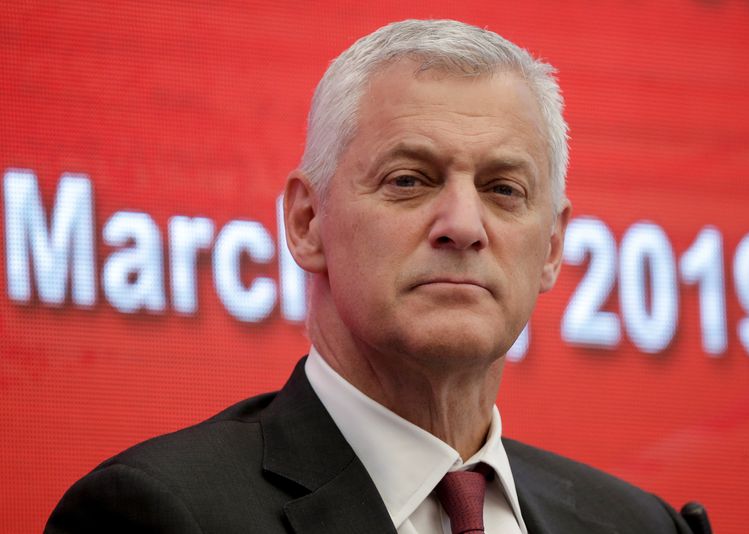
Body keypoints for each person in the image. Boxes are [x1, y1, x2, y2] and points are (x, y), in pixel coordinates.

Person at [46, 19, 694, 534]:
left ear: (552, 246)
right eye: (409, 180)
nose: (463, 224)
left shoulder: (639, 524)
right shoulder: (157, 513)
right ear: (306, 223)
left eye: (503, 189)